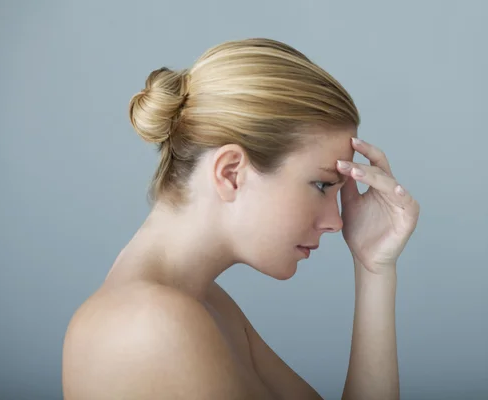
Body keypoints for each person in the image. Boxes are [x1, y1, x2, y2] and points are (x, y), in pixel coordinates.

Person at [61, 38, 420, 400]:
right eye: (322, 184)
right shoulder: (151, 326)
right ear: (231, 172)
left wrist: (373, 268)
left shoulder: (204, 305)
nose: (336, 221)